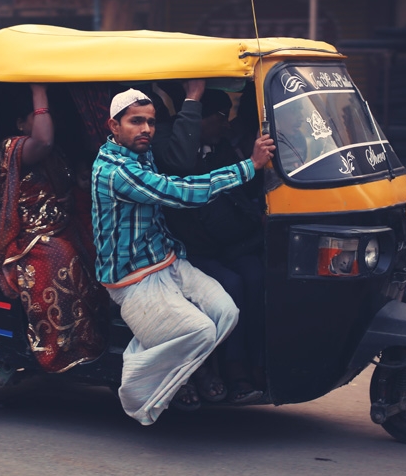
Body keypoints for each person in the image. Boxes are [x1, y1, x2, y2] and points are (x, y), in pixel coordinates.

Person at [92, 88, 274, 425]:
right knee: (202, 331)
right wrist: (249, 166)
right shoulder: (116, 171)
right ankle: (136, 382)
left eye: (150, 122)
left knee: (226, 312)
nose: (145, 129)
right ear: (114, 127)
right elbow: (179, 192)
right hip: (133, 280)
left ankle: (175, 360)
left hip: (168, 262)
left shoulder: (141, 156)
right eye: (135, 122)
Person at [0, 84, 108, 373]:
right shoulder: (13, 146)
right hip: (35, 237)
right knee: (62, 256)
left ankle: (94, 342)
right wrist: (38, 89)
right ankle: (63, 351)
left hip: (66, 226)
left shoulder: (56, 154)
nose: (47, 120)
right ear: (20, 123)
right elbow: (42, 141)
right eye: (38, 115)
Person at [162, 89, 268, 404]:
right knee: (232, 283)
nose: (226, 125)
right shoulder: (176, 156)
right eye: (220, 118)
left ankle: (260, 364)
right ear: (198, 119)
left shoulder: (222, 149)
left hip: (228, 242)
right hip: (192, 249)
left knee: (256, 275)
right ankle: (235, 371)